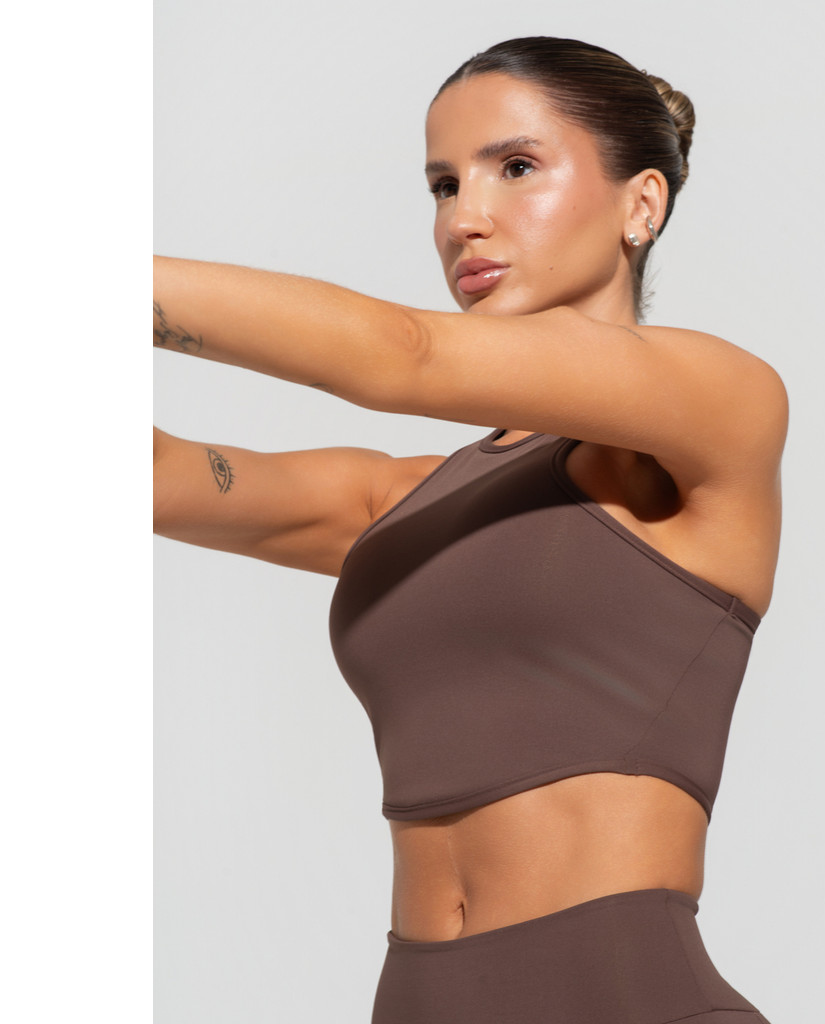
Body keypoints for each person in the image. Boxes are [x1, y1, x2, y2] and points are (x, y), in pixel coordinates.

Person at [154, 35, 787, 1024]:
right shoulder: (402, 502)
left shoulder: (721, 404)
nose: (464, 218)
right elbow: (159, 477)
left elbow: (403, 354)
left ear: (642, 204)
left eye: (516, 168)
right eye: (443, 185)